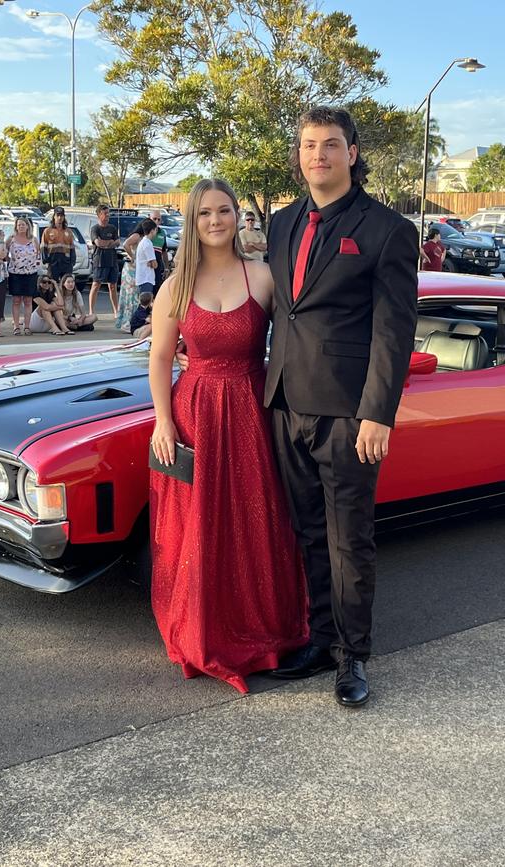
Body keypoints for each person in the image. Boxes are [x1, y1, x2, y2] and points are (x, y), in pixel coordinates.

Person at [263, 106, 418, 707]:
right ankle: (320, 639)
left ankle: (354, 657)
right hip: (284, 403)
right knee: (306, 533)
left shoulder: (387, 230)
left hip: (349, 414)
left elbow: (394, 330)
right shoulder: (279, 224)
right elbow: (276, 309)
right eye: (308, 145)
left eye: (330, 145)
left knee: (348, 539)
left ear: (352, 153)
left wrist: (378, 413)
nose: (318, 155)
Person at [149, 178, 309, 695]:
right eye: (204, 214)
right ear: (192, 223)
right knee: (200, 524)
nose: (215, 221)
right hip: (193, 411)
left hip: (251, 409)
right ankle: (206, 630)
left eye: (224, 211)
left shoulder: (261, 276)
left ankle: (264, 628)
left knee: (255, 518)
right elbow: (158, 357)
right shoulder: (175, 286)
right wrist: (163, 422)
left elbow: (300, 334)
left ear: (238, 216)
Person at [6, 216, 40, 335]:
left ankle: (27, 326)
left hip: (30, 273)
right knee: (16, 300)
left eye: (23, 225)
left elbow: (38, 254)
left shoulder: (33, 240)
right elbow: (4, 253)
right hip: (15, 273)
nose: (21, 227)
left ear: (27, 226)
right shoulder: (11, 239)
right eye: (19, 225)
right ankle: (16, 326)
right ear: (16, 226)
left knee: (28, 300)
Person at [89, 204, 119, 315]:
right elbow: (98, 243)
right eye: (105, 213)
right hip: (100, 260)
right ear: (99, 215)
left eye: (108, 213)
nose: (107, 216)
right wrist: (109, 242)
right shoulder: (95, 229)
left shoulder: (112, 228)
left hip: (112, 260)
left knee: (112, 286)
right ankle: (92, 311)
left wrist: (108, 243)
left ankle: (116, 310)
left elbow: (117, 242)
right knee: (96, 284)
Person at [116, 225, 143, 331]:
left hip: (136, 269)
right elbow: (126, 244)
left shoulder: (144, 238)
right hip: (131, 269)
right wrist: (132, 256)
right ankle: (126, 322)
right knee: (130, 296)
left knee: (135, 295)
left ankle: (131, 321)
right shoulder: (137, 235)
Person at [41, 207, 76, 283]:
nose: (60, 218)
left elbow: (72, 248)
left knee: (66, 285)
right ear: (54, 216)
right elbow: (44, 247)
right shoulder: (47, 231)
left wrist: (72, 262)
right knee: (52, 284)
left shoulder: (68, 231)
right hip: (53, 262)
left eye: (62, 216)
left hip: (66, 262)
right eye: (58, 215)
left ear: (64, 217)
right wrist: (46, 261)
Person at [148, 210, 170, 293]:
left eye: (159, 219)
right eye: (154, 219)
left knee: (156, 290)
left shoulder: (162, 233)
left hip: (158, 266)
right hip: (146, 267)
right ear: (149, 218)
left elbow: (164, 251)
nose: (156, 221)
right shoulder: (144, 232)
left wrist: (167, 268)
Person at [135, 219, 158, 296]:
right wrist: (152, 263)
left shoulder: (143, 242)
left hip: (142, 278)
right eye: (155, 230)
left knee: (143, 302)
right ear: (152, 231)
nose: (156, 232)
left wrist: (150, 263)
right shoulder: (148, 244)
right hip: (146, 278)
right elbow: (154, 264)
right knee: (145, 303)